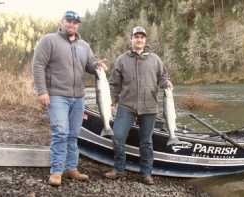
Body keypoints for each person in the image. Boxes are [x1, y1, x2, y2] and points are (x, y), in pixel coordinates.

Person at [32, 10, 106, 186]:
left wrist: (97, 65)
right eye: (69, 21)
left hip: (78, 97)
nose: (72, 24)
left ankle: (71, 168)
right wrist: (42, 91)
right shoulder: (49, 40)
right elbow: (38, 65)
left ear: (78, 25)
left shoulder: (84, 46)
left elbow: (90, 64)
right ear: (62, 21)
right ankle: (57, 171)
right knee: (61, 132)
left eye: (75, 22)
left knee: (73, 134)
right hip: (57, 96)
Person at [104, 26, 173, 185]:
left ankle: (146, 173)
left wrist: (166, 83)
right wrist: (112, 102)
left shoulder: (155, 59)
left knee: (146, 141)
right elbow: (114, 84)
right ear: (131, 39)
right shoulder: (122, 59)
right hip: (126, 105)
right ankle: (119, 169)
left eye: (142, 37)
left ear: (145, 40)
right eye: (136, 37)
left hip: (149, 107)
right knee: (118, 136)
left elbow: (163, 77)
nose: (139, 39)